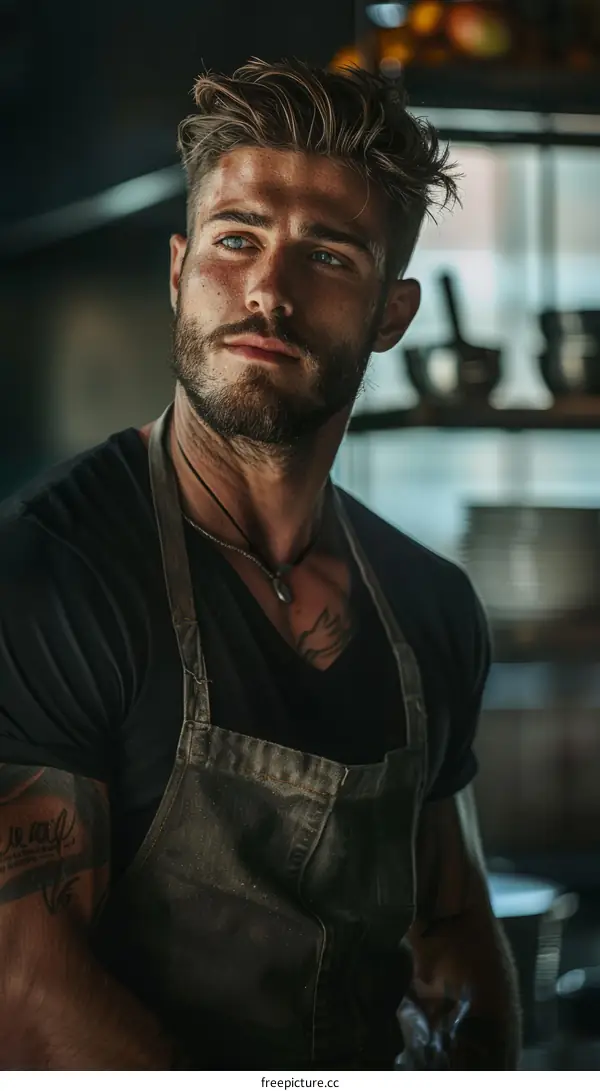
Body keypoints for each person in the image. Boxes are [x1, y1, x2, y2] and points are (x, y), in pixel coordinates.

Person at [0, 59, 520, 1071]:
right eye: (236, 240)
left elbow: (456, 930)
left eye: (328, 256)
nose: (269, 290)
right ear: (178, 270)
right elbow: (26, 992)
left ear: (391, 315)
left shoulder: (432, 609)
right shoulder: (48, 578)